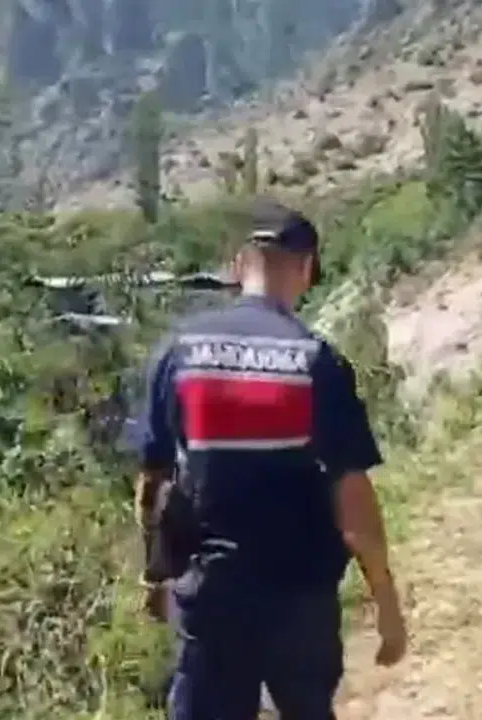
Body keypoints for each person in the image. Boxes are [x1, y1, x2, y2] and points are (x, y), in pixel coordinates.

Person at [130, 196, 408, 720]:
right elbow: (353, 501)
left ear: (239, 265)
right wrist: (386, 600)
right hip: (300, 598)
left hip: (211, 598)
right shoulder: (316, 359)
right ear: (305, 268)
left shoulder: (179, 352)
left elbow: (153, 484)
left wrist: (154, 576)